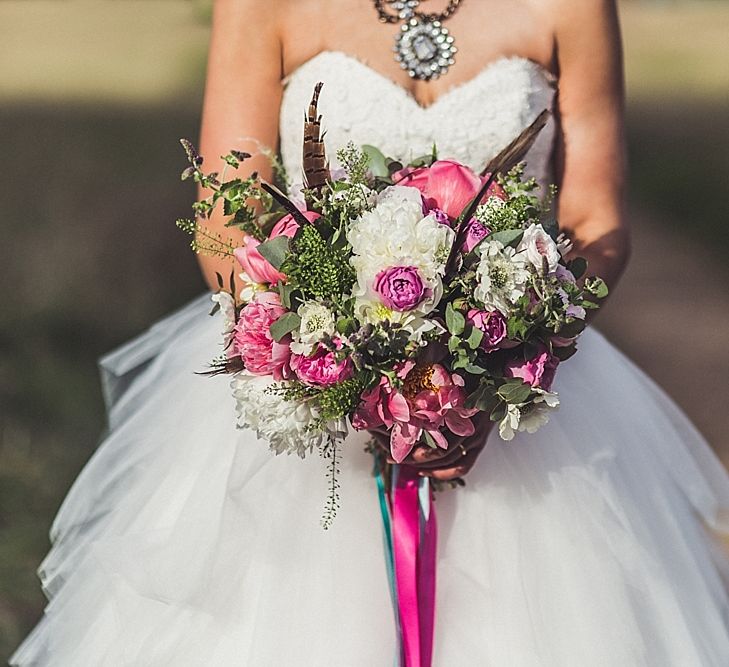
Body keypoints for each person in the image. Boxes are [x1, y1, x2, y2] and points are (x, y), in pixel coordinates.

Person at [11, 1, 729, 664]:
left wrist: (494, 361)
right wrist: (324, 363)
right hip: (307, 390)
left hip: (517, 392)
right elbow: (221, 220)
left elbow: (595, 219)